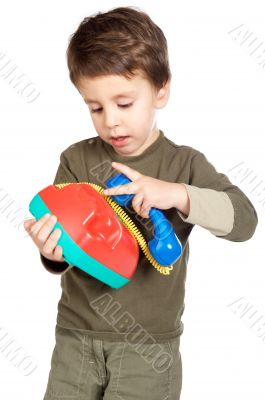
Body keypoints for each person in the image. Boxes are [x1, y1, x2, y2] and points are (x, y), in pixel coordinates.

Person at [23, 6, 258, 400]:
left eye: (124, 104)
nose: (110, 121)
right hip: (75, 339)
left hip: (148, 350)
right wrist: (51, 250)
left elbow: (246, 221)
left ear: (161, 90)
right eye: (95, 108)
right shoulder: (76, 159)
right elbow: (65, 248)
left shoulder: (184, 163)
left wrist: (177, 194)